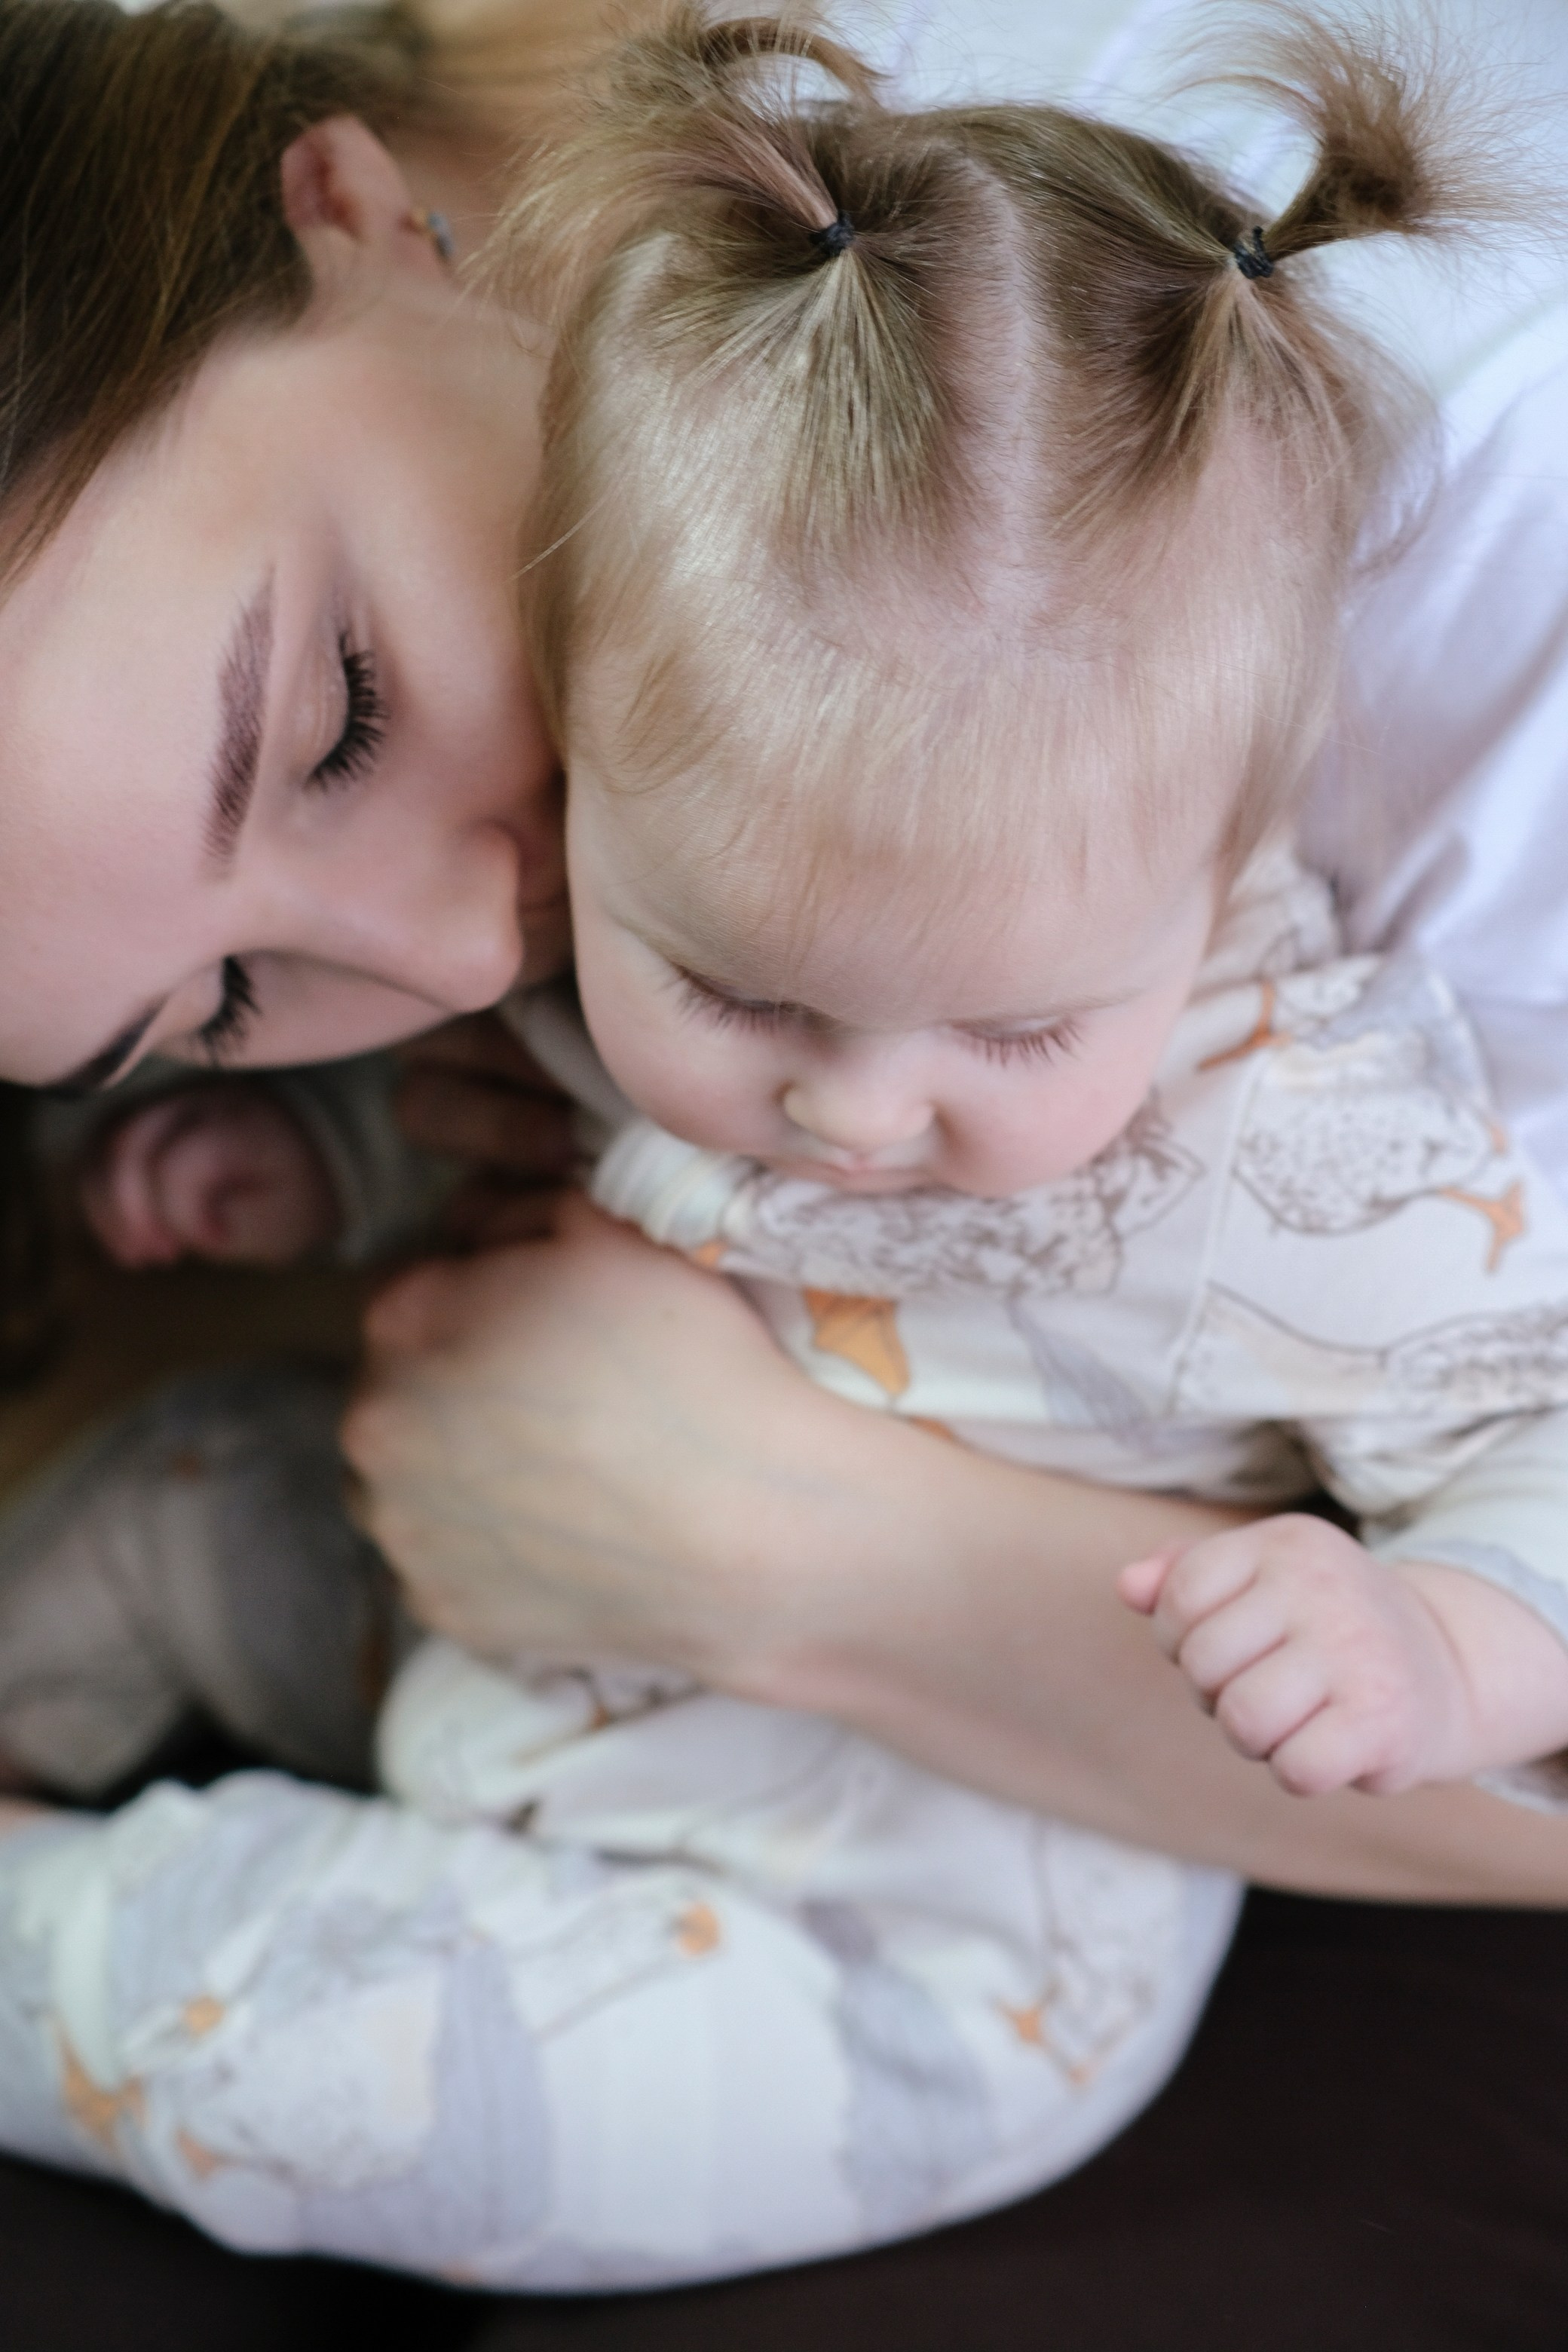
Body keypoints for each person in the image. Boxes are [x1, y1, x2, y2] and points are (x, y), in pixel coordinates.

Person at [3, 0, 1568, 2343]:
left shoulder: (1309, 800)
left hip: (865, 1897)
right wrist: (295, 1152)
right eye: (203, 1004)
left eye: (335, 713)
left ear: (351, 205)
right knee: (187, 1513)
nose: (462, 943)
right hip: (470, 1609)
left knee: (409, 2078)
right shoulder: (619, 827)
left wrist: (1418, 1635)